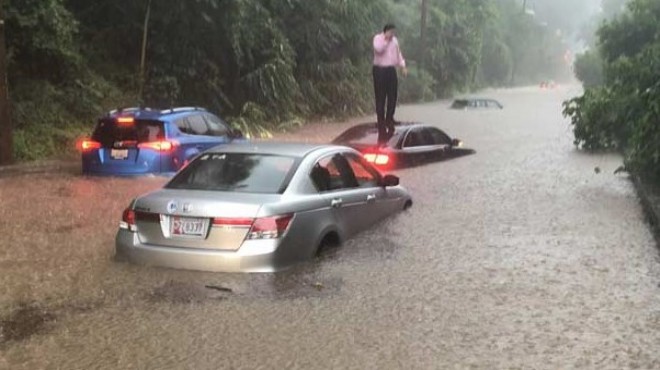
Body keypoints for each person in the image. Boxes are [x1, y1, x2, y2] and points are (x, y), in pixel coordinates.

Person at [373, 24, 407, 145]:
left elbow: (398, 54)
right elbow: (378, 50)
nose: (393, 34)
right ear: (386, 31)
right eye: (391, 32)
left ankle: (390, 118)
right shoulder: (378, 38)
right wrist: (386, 40)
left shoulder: (395, 41)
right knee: (380, 96)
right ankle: (381, 120)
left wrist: (402, 66)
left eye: (394, 32)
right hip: (379, 69)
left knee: (393, 95)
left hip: (391, 69)